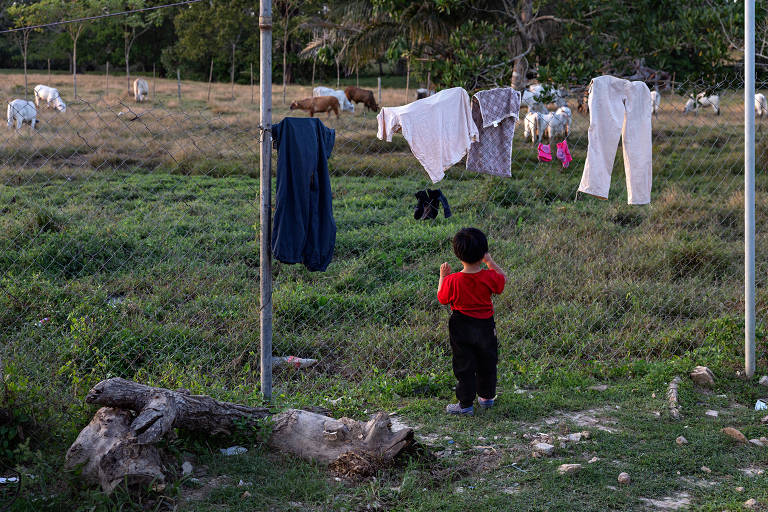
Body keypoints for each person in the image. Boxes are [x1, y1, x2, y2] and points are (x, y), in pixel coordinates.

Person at [437, 228, 506, 416]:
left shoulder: (452, 280)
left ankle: (465, 404)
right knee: (487, 361)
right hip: (485, 325)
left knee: (464, 364)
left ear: (457, 254)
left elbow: (442, 298)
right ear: (483, 252)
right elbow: (502, 281)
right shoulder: (488, 276)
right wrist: (490, 262)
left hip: (461, 325)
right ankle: (486, 398)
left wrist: (443, 276)